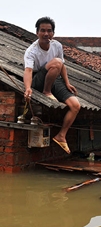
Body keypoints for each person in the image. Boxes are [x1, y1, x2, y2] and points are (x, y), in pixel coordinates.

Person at [23, 16, 81, 154]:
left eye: (49, 31)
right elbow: (28, 70)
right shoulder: (32, 51)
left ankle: (61, 135)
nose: (46, 34)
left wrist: (67, 83)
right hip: (38, 79)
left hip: (54, 78)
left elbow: (62, 67)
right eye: (42, 30)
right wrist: (28, 88)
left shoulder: (57, 46)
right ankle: (47, 92)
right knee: (56, 63)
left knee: (75, 105)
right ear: (37, 32)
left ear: (53, 33)